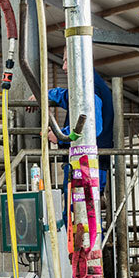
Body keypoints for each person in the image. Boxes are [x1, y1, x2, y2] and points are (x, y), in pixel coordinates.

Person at [46, 52, 116, 192]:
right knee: (82, 210)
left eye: (67, 61)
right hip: (84, 162)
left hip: (86, 163)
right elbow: (69, 97)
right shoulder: (88, 86)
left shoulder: (91, 89)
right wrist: (45, 94)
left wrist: (60, 136)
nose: (63, 67)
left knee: (80, 210)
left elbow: (91, 127)